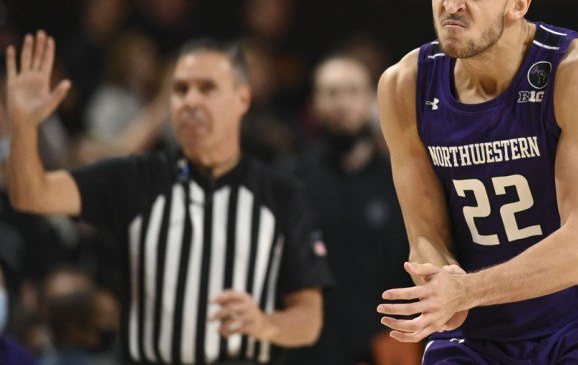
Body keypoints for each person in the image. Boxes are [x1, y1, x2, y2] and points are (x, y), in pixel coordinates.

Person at [375, 0, 578, 363]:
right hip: (475, 334)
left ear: (518, 4)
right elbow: (426, 234)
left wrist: (464, 291)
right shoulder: (405, 84)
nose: (451, 4)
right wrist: (438, 291)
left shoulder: (575, 71)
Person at [5, 31, 333, 364]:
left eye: (207, 89)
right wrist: (24, 127)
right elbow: (32, 194)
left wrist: (266, 324)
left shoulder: (281, 194)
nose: (190, 101)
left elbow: (309, 319)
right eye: (180, 90)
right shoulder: (134, 178)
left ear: (242, 100)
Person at [285, 55, 419, 365]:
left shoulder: (401, 182)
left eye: (352, 91)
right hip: (306, 352)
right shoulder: (290, 182)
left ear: (371, 100)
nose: (342, 103)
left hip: (381, 350)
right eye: (331, 93)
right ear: (314, 103)